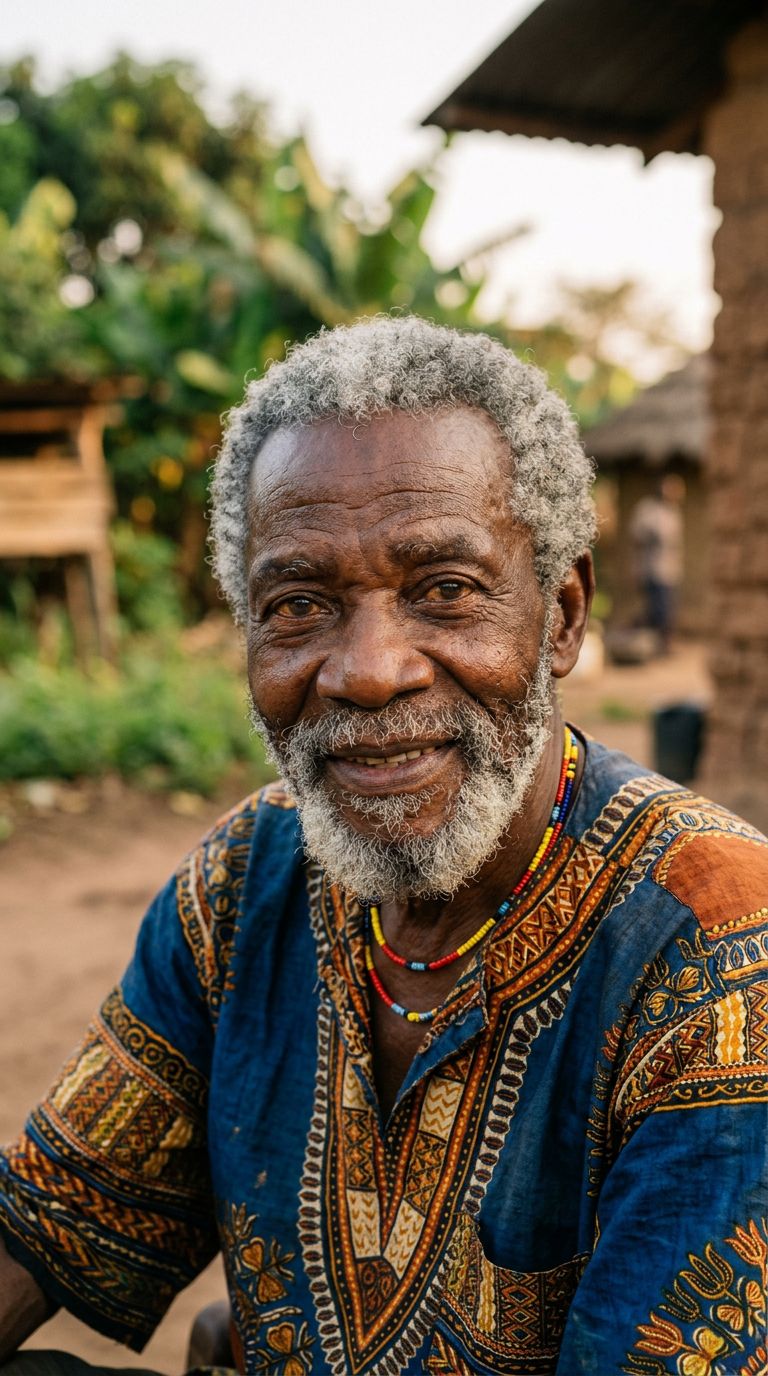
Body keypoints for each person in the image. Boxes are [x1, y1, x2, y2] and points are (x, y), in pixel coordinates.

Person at [0, 317, 766, 1376]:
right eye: (298, 604)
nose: (367, 670)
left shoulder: (720, 947)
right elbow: (46, 1219)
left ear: (561, 615)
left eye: (444, 589)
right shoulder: (244, 883)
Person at [629, 474, 685, 653]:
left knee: (666, 609)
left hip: (669, 571)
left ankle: (661, 643)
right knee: (657, 609)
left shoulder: (673, 512)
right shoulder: (648, 510)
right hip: (652, 569)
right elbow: (637, 537)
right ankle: (652, 642)